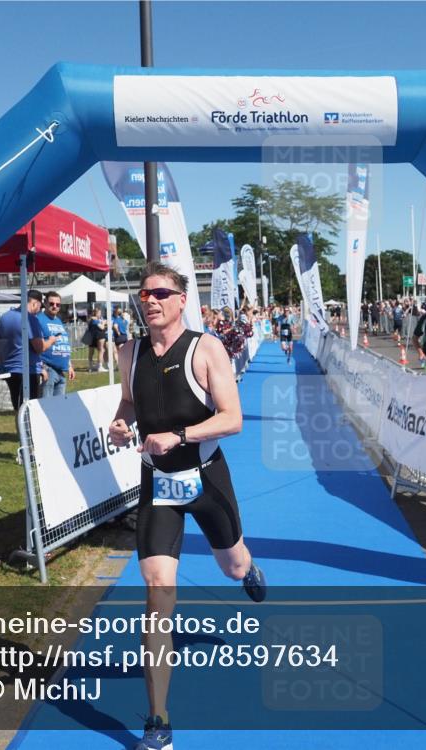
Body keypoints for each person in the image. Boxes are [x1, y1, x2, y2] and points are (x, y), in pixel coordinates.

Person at [108, 262, 266, 750]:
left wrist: (177, 435)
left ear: (180, 300)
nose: (149, 299)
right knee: (158, 593)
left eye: (160, 292)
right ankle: (158, 721)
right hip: (157, 485)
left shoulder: (206, 348)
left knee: (232, 566)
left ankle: (249, 569)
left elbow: (233, 419)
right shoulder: (128, 351)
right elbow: (130, 404)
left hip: (206, 478)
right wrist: (120, 422)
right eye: (143, 293)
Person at [0, 290, 54, 410]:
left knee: (18, 407)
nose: (39, 310)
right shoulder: (30, 319)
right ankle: (30, 429)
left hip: (9, 369)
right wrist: (51, 340)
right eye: (40, 307)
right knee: (29, 409)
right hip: (28, 370)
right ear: (34, 303)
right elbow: (40, 347)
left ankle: (20, 429)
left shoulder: (4, 317)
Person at [37, 291, 75, 397]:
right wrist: (41, 368)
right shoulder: (39, 320)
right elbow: (35, 346)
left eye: (57, 304)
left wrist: (69, 365)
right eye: (51, 303)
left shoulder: (58, 320)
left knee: (59, 408)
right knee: (46, 406)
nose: (55, 306)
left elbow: (64, 343)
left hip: (61, 371)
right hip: (48, 369)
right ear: (45, 303)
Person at [86, 306, 109, 372]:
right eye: (99, 313)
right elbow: (101, 327)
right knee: (101, 350)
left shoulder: (93, 319)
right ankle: (99, 366)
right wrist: (104, 323)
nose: (100, 314)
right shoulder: (94, 319)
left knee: (92, 352)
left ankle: (91, 366)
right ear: (96, 313)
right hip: (96, 337)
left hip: (92, 337)